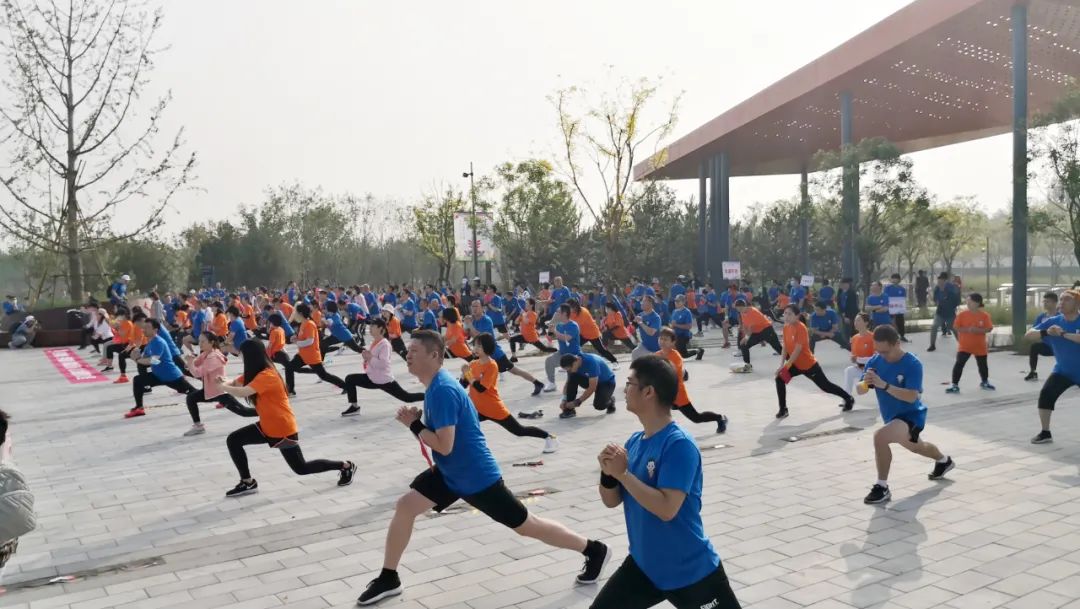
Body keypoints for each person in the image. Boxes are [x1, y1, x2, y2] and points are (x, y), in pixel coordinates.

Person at [355, 330, 610, 605]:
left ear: (434, 355)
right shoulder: (436, 386)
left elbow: (444, 446)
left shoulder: (442, 390)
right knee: (406, 506)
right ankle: (389, 577)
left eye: (414, 351)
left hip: (476, 477)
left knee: (527, 526)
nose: (408, 356)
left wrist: (414, 424)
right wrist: (419, 423)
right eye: (408, 350)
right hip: (451, 473)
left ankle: (593, 550)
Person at [591, 355, 741, 609]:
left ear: (648, 392)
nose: (624, 390)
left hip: (690, 571)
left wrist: (623, 474)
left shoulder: (678, 444)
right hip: (644, 567)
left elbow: (667, 508)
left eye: (630, 383)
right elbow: (611, 501)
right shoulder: (635, 442)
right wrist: (609, 474)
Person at [216, 339, 356, 497]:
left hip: (281, 428)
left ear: (251, 356)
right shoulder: (255, 373)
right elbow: (235, 383)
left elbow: (243, 392)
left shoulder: (267, 375)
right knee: (234, 440)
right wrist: (224, 382)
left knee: (301, 468)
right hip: (267, 425)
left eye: (242, 354)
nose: (240, 357)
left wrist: (223, 387)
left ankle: (345, 466)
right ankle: (248, 482)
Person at [859, 324, 955, 505]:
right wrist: (865, 383)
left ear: (897, 344)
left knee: (880, 437)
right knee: (919, 447)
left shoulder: (913, 364)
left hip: (912, 416)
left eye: (885, 351)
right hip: (892, 418)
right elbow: (860, 390)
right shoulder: (875, 361)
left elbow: (911, 396)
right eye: (878, 351)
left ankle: (882, 487)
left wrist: (884, 385)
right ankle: (944, 461)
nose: (881, 355)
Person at [463, 333, 559, 452]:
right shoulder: (473, 364)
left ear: (487, 347)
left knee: (519, 430)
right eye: (475, 345)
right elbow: (464, 384)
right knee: (460, 424)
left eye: (479, 346)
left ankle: (550, 437)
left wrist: (468, 375)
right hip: (477, 408)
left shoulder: (492, 365)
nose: (475, 348)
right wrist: (462, 377)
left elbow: (481, 388)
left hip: (493, 408)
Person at [775, 305, 854, 419]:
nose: (786, 316)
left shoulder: (801, 328)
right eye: (785, 313)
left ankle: (848, 398)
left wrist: (786, 366)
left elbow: (798, 349)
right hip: (795, 364)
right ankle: (783, 409)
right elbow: (785, 347)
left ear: (797, 316)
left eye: (790, 314)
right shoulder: (786, 327)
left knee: (826, 386)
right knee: (779, 379)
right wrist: (782, 365)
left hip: (809, 366)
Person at [1026, 290, 1080, 444]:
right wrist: (1045, 332)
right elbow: (1028, 335)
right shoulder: (1053, 321)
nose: (1062, 303)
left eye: (1067, 299)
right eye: (1061, 299)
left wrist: (1063, 334)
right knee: (1046, 395)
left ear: (1077, 303)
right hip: (1063, 371)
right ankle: (1045, 433)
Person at [341, 319, 425, 417]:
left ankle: (429, 396)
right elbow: (372, 359)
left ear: (381, 329)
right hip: (372, 378)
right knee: (350, 379)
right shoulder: (375, 342)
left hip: (383, 380)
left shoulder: (385, 344)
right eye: (370, 326)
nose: (370, 328)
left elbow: (383, 364)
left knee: (407, 397)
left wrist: (369, 357)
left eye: (373, 326)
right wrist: (366, 358)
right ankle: (354, 407)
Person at [469, 299, 546, 395]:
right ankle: (471, 393)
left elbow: (481, 337)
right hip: (483, 354)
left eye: (476, 306)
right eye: (472, 306)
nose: (474, 308)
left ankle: (537, 383)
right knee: (473, 371)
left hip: (495, 354)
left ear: (482, 308)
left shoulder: (486, 320)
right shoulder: (474, 321)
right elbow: (472, 336)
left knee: (515, 370)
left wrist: (469, 325)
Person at [124, 320, 197, 419]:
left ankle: (217, 397)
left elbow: (154, 361)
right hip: (158, 376)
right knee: (138, 380)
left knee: (195, 394)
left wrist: (137, 359)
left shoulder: (158, 342)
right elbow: (145, 360)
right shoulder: (150, 343)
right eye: (143, 327)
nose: (144, 329)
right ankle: (139, 408)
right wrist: (135, 357)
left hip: (172, 376)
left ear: (155, 330)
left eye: (147, 327)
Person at [658, 328, 727, 432]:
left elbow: (672, 372)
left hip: (678, 394)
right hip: (665, 395)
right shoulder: (656, 355)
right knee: (658, 415)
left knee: (696, 418)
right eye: (661, 338)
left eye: (666, 339)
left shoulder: (675, 356)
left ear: (673, 342)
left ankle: (719, 418)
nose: (662, 341)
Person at [182, 332, 248, 436]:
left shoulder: (213, 357)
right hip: (210, 391)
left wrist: (190, 363)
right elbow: (195, 364)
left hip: (220, 392)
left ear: (212, 342)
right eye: (199, 341)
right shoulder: (206, 353)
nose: (200, 344)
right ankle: (198, 426)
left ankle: (268, 415)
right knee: (191, 398)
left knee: (244, 412)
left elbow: (197, 373)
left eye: (203, 341)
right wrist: (190, 361)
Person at [284, 303, 347, 395]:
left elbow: (310, 341)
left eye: (295, 313)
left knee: (324, 375)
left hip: (311, 355)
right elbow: (303, 337)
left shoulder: (309, 324)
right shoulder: (303, 323)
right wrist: (295, 337)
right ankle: (290, 390)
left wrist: (296, 342)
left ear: (300, 314)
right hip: (302, 354)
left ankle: (346, 386)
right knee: (289, 367)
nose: (294, 315)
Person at [945, 293, 995, 393]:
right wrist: (967, 329)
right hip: (965, 346)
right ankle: (955, 385)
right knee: (959, 364)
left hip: (980, 346)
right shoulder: (962, 315)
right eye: (967, 301)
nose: (967, 303)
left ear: (977, 303)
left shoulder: (984, 316)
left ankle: (985, 382)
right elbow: (956, 327)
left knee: (982, 365)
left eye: (970, 301)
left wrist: (978, 330)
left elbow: (989, 328)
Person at [558, 353, 617, 419]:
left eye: (570, 369)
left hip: (606, 383)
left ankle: (610, 400)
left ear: (576, 361)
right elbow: (567, 384)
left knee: (599, 406)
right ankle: (570, 410)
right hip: (592, 380)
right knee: (572, 377)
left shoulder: (591, 362)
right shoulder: (573, 365)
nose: (569, 371)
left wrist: (577, 402)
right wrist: (564, 400)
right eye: (567, 370)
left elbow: (592, 387)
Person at [733, 299, 782, 371]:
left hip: (767, 330)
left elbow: (751, 328)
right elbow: (745, 326)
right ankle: (748, 365)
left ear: (744, 306)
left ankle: (793, 362)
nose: (739, 311)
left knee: (778, 348)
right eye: (738, 309)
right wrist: (744, 337)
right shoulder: (742, 313)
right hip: (757, 332)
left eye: (740, 309)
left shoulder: (753, 312)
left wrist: (746, 338)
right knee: (744, 345)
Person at [543, 304, 582, 392]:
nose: (556, 313)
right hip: (562, 353)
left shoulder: (573, 325)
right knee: (549, 361)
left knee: (573, 378)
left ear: (564, 313)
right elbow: (552, 337)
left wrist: (554, 331)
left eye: (558, 312)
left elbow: (566, 338)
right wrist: (550, 330)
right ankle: (552, 383)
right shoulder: (559, 325)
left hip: (574, 355)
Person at [569, 298, 619, 365]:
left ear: (575, 306)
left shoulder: (583, 312)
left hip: (593, 334)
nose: (569, 309)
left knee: (601, 350)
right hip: (583, 334)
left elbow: (576, 326)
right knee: (573, 347)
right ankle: (572, 363)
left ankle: (614, 361)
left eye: (571, 307)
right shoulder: (570, 313)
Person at [1025, 292, 1058, 381]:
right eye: (1044, 301)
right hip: (1047, 347)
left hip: (1060, 346)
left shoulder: (1061, 317)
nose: (1045, 303)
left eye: (1048, 301)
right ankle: (1033, 372)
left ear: (1055, 303)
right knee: (1034, 347)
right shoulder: (1041, 317)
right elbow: (1034, 330)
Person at [843, 313, 876, 397]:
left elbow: (875, 358)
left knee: (862, 389)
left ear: (866, 323)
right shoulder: (854, 338)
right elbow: (855, 357)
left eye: (858, 320)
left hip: (874, 371)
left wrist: (858, 359)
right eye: (855, 320)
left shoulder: (873, 337)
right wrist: (854, 360)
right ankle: (847, 398)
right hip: (861, 369)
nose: (855, 323)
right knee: (849, 371)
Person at [928, 272, 960, 351]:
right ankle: (932, 345)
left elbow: (956, 300)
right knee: (934, 326)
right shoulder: (937, 288)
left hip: (950, 313)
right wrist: (931, 295)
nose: (939, 282)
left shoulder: (952, 288)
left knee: (954, 328)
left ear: (945, 280)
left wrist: (953, 305)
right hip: (940, 312)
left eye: (941, 281)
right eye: (938, 281)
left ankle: (962, 345)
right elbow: (935, 300)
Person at [670, 295, 703, 361]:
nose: (676, 302)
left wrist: (676, 325)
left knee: (684, 355)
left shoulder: (687, 312)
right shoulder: (674, 312)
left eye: (678, 301)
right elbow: (672, 324)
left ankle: (698, 351)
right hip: (675, 335)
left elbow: (689, 326)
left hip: (683, 335)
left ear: (683, 302)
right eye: (675, 301)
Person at [631, 296, 663, 361]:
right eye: (642, 301)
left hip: (656, 349)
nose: (641, 303)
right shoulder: (640, 315)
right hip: (644, 346)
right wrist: (633, 323)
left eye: (644, 301)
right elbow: (631, 329)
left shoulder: (656, 317)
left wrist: (641, 322)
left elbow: (651, 333)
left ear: (651, 304)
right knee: (635, 353)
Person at [883, 273, 909, 342]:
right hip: (890, 308)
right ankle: (891, 336)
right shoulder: (887, 288)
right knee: (891, 322)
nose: (894, 280)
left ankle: (902, 336)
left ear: (899, 280)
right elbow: (885, 297)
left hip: (899, 309)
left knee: (900, 322)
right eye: (893, 278)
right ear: (891, 279)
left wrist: (903, 307)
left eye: (896, 278)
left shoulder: (902, 289)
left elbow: (903, 299)